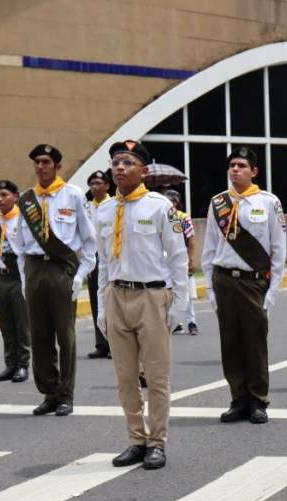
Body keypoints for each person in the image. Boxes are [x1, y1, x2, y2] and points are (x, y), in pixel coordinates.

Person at [95, 140, 187, 470]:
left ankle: (157, 442)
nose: (119, 168)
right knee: (125, 376)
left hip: (151, 296)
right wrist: (102, 307)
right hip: (117, 295)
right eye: (116, 162)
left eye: (128, 162)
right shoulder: (103, 210)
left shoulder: (161, 207)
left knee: (157, 377)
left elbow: (178, 257)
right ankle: (136, 438)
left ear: (143, 171)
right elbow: (103, 262)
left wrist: (179, 304)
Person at [201, 146, 286, 425]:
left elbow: (278, 248)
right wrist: (210, 289)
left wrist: (272, 293)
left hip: (254, 282)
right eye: (232, 165)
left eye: (241, 165)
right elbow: (210, 247)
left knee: (255, 343)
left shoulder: (269, 202)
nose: (235, 169)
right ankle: (238, 399)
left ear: (254, 171)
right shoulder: (218, 203)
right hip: (225, 279)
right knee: (231, 343)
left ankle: (258, 400)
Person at [14, 144, 96, 417]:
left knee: (65, 334)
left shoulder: (72, 195)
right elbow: (20, 244)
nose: (40, 166)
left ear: (57, 166)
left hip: (62, 268)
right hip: (35, 268)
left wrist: (81, 274)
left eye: (46, 162)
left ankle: (66, 394)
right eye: (37, 162)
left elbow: (88, 238)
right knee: (38, 334)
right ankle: (49, 392)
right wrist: (24, 278)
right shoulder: (26, 199)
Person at [0, 179, 30, 383]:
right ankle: (10, 364)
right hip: (1, 276)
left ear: (15, 197)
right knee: (6, 323)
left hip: (19, 276)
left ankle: (23, 365)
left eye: (5, 195)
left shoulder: (24, 218)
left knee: (22, 323)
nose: (0, 199)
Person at [86, 170, 113, 359]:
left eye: (98, 183)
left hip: (111, 257)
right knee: (97, 301)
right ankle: (101, 343)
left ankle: (114, 344)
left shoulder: (113, 205)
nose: (95, 187)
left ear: (107, 186)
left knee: (111, 302)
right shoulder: (86, 207)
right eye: (92, 183)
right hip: (92, 258)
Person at [164, 189, 198, 336]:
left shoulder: (183, 218)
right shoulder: (161, 216)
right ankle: (174, 322)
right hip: (164, 260)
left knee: (186, 291)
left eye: (170, 201)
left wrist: (191, 259)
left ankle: (191, 321)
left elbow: (191, 240)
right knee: (166, 291)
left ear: (176, 203)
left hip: (180, 258)